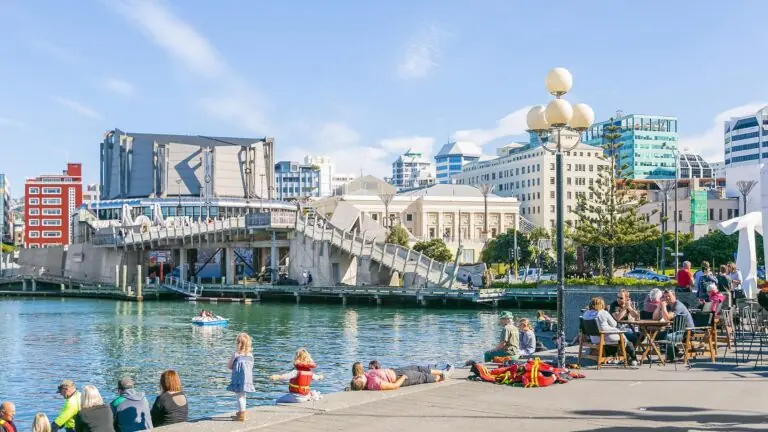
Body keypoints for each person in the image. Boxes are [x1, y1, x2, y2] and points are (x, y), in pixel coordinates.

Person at [582, 297, 639, 366]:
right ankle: (633, 359)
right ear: (601, 305)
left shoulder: (585, 314)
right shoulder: (603, 313)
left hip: (594, 338)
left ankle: (613, 356)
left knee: (618, 338)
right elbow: (614, 324)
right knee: (626, 341)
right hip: (606, 336)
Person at [349, 362, 451, 391]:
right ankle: (442, 377)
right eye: (358, 377)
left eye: (355, 377)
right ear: (363, 383)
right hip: (401, 377)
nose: (356, 376)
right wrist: (403, 377)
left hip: (396, 371)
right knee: (423, 377)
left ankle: (441, 371)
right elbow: (394, 386)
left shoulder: (365, 377)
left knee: (417, 367)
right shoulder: (374, 383)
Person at [654, 289, 695, 355]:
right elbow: (655, 318)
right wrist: (659, 306)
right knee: (657, 336)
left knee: (667, 337)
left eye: (669, 296)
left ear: (674, 296)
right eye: (665, 296)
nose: (667, 298)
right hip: (676, 330)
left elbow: (667, 318)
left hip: (686, 331)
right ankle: (674, 352)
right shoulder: (669, 306)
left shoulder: (678, 305)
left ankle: (672, 354)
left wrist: (663, 306)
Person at [227, 333, 255, 421]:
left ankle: (241, 415)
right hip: (247, 379)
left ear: (238, 344)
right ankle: (241, 412)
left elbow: (229, 366)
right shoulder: (250, 355)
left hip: (238, 378)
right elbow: (251, 367)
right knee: (243, 396)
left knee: (239, 396)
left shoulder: (236, 355)